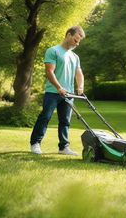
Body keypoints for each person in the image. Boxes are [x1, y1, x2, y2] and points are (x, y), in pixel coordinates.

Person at [30, 26, 85, 155]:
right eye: (75, 40)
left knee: (65, 121)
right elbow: (49, 71)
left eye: (78, 42)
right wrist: (59, 87)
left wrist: (80, 86)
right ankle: (35, 143)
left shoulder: (75, 56)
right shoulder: (53, 51)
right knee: (45, 117)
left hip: (69, 93)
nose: (76, 43)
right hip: (53, 92)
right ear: (68, 35)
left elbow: (79, 73)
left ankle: (63, 147)